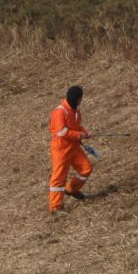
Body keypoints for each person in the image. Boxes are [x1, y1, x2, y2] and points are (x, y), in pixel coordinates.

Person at [48, 85, 93, 217]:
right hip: (61, 150)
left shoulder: (76, 110)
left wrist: (85, 132)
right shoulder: (60, 112)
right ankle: (55, 207)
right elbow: (62, 132)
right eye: (80, 98)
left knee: (86, 168)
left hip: (73, 147)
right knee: (59, 178)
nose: (81, 101)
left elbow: (77, 126)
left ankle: (72, 189)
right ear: (76, 99)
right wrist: (79, 135)